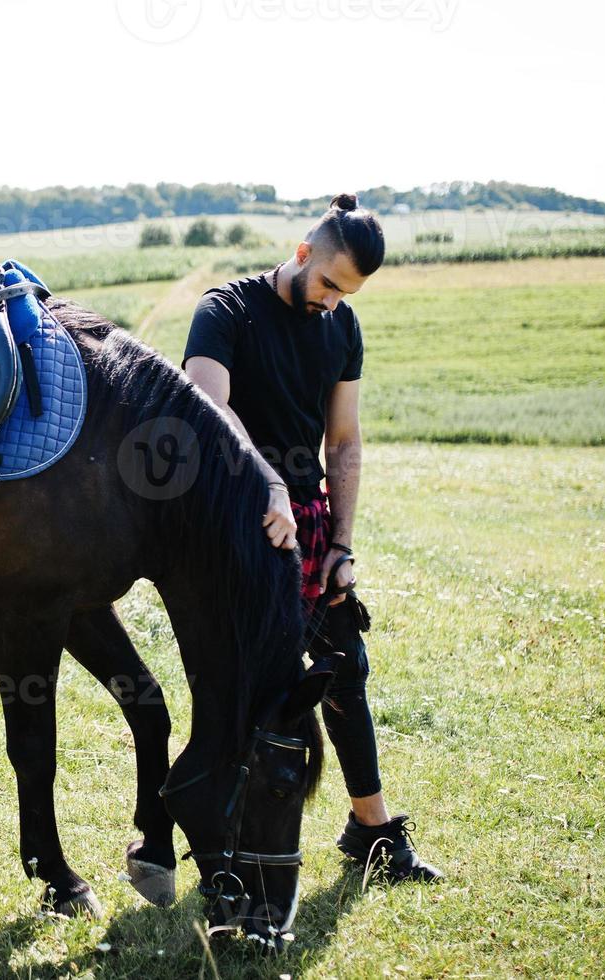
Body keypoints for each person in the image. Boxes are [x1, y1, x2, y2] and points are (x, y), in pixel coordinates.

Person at [182, 193, 442, 883]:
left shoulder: (341, 325)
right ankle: (223, 848)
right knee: (246, 692)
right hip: (234, 522)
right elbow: (207, 412)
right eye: (327, 283)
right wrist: (266, 485)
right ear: (302, 253)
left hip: (309, 524)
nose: (331, 302)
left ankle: (372, 831)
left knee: (343, 671)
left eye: (345, 293)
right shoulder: (225, 311)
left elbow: (344, 440)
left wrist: (342, 545)